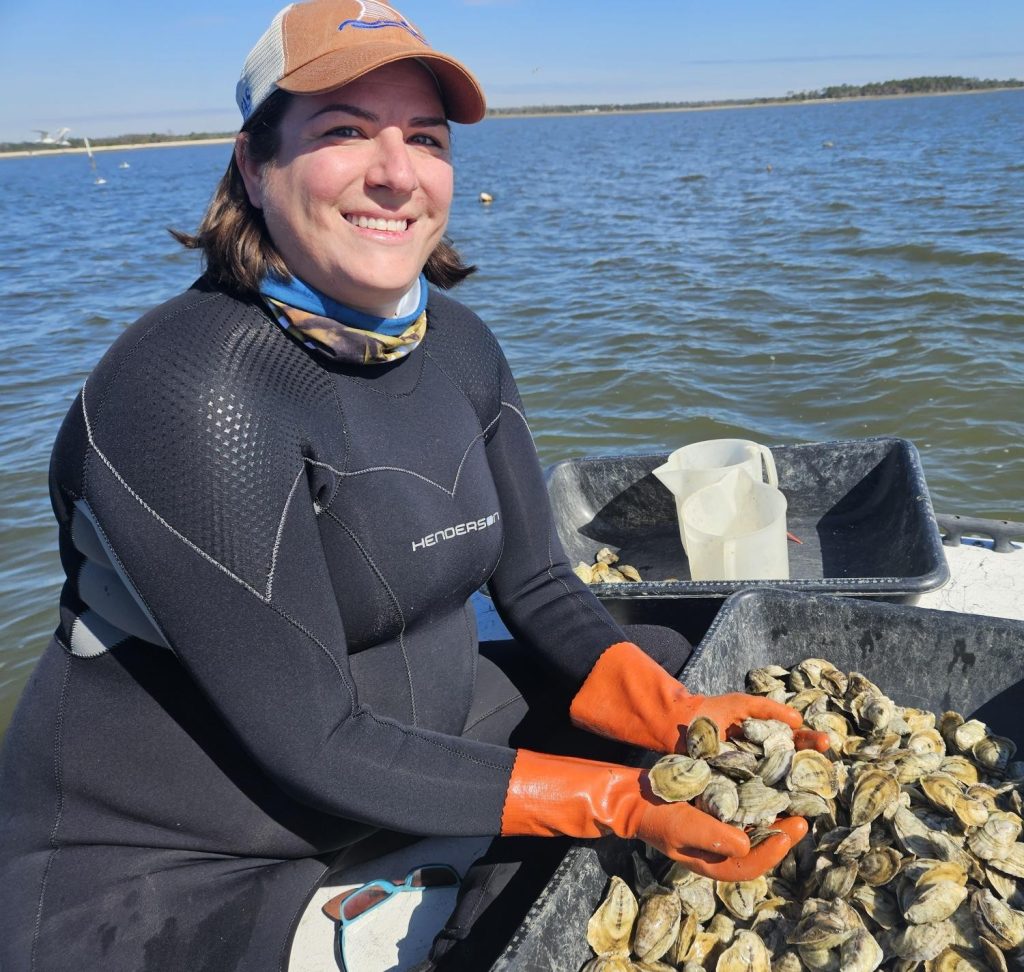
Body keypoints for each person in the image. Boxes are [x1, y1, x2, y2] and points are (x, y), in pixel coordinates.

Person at [0, 2, 827, 969]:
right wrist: (613, 801)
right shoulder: (191, 392)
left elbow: (540, 588)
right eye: (344, 131)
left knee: (677, 652)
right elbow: (315, 740)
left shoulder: (460, 345)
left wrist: (679, 722)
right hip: (176, 861)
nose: (396, 172)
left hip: (416, 732)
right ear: (253, 166)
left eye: (425, 138)